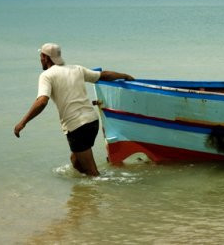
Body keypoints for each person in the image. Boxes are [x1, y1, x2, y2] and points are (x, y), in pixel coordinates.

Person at [14, 43, 134, 176]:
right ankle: (83, 193)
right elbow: (103, 75)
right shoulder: (77, 69)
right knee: (75, 161)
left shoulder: (46, 75)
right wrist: (125, 75)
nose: (40, 59)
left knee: (92, 172)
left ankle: (101, 191)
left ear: (45, 57)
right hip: (92, 122)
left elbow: (42, 101)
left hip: (76, 127)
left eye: (40, 56)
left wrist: (23, 122)